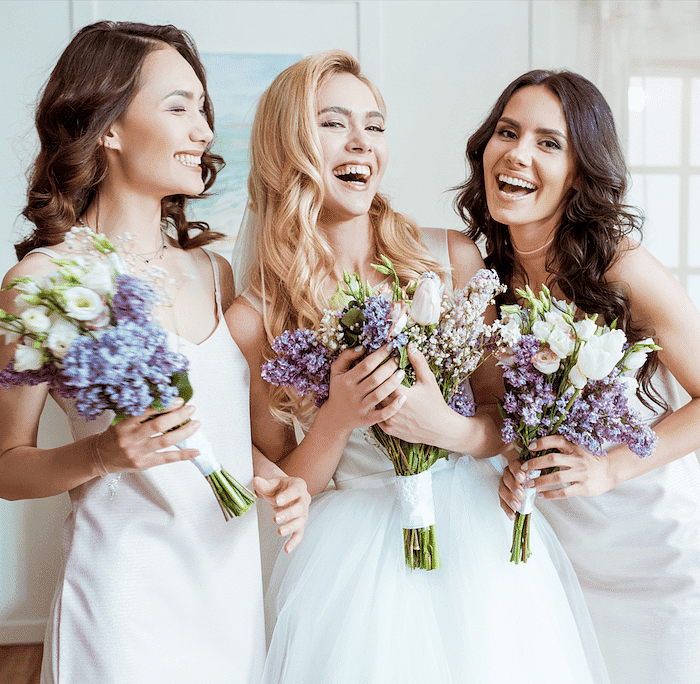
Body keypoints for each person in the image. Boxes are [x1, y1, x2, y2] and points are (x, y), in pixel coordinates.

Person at [227, 50, 609, 683]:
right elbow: (292, 484)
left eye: (375, 125)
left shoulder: (448, 255)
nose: (361, 143)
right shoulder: (255, 318)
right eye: (333, 123)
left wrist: (446, 430)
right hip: (351, 559)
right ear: (286, 144)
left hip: (478, 538)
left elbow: (503, 423)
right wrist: (337, 418)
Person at [0, 21, 309, 684]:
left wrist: (281, 482)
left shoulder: (218, 274)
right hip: (123, 600)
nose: (202, 129)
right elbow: (7, 468)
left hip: (227, 593)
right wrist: (102, 453)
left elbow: (215, 434)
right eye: (179, 107)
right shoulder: (44, 283)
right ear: (107, 128)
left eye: (203, 109)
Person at [454, 68, 700, 684]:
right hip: (552, 566)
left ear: (580, 173)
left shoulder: (624, 270)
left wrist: (610, 467)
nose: (517, 153)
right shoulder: (486, 281)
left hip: (654, 561)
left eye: (548, 142)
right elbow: (510, 418)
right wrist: (517, 472)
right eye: (507, 132)